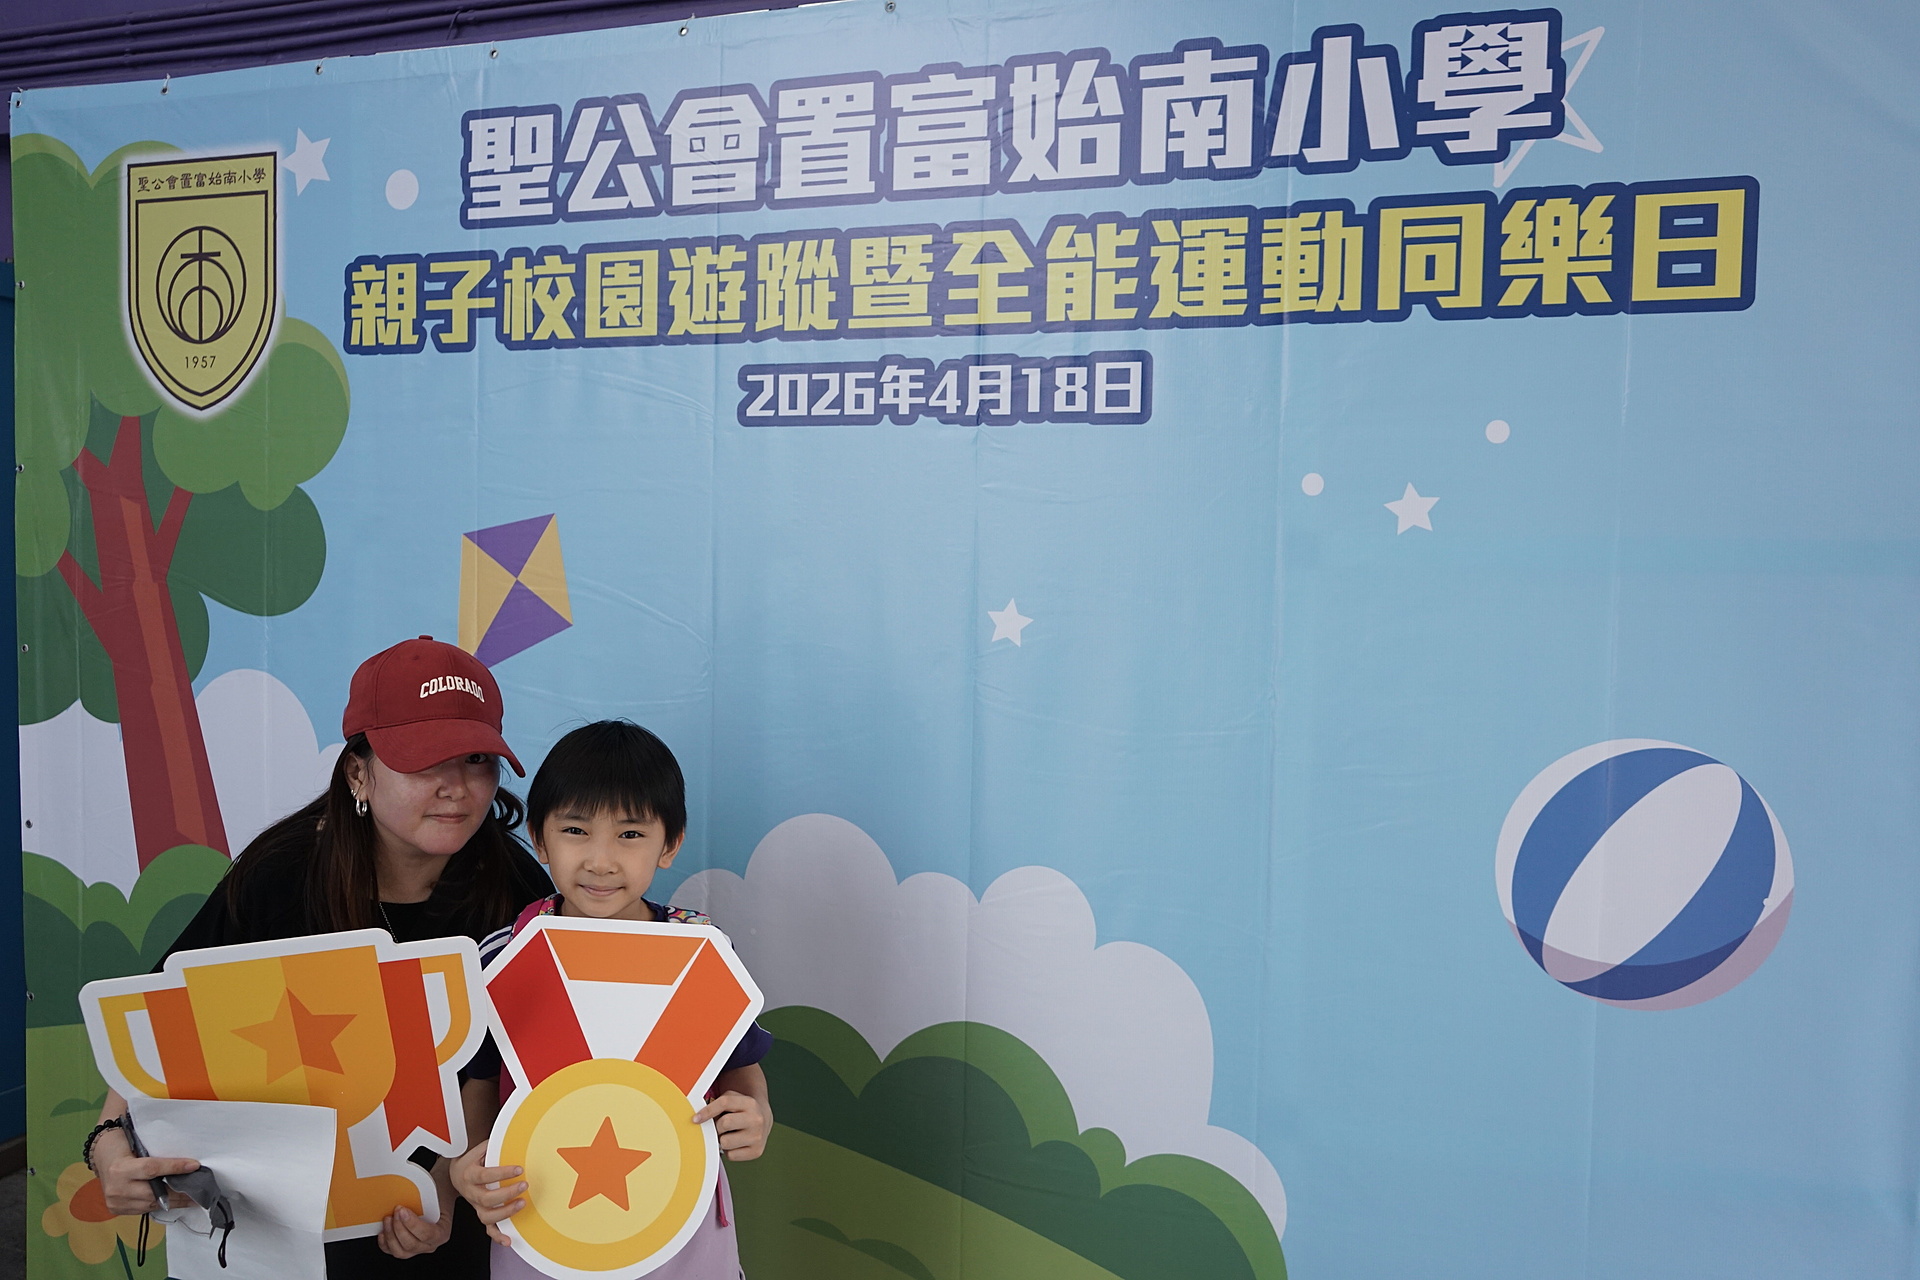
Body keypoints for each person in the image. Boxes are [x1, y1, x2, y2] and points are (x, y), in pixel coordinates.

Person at [82, 636, 553, 1277]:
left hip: (449, 1206)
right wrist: (108, 1143)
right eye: (422, 761)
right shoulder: (283, 875)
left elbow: (511, 1061)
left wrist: (445, 1187)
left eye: (476, 759)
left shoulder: (516, 886)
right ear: (358, 773)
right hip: (291, 1215)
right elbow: (164, 1015)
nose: (456, 788)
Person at [451, 720, 773, 1279]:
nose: (600, 860)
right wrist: (467, 1167)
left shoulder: (702, 951)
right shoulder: (503, 955)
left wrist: (756, 1114)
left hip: (680, 1220)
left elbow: (739, 1067)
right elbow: (479, 1080)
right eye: (576, 830)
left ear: (670, 844)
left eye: (630, 835)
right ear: (539, 838)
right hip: (539, 1213)